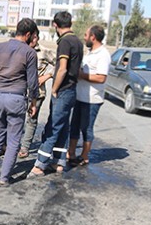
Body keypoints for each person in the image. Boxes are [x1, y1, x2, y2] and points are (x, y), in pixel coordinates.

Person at [0, 18, 39, 185]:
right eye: (33, 36)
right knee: (14, 140)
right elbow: (32, 81)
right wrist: (33, 102)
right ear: (28, 34)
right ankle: (4, 177)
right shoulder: (29, 53)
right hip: (16, 98)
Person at [28, 11, 83, 177]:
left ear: (55, 25)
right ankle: (58, 162)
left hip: (63, 90)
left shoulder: (65, 42)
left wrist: (54, 89)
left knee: (52, 126)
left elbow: (63, 68)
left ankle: (39, 166)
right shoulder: (78, 42)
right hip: (72, 89)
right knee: (63, 126)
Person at [67, 25, 111, 167]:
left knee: (86, 128)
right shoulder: (90, 53)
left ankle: (84, 156)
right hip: (80, 96)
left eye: (86, 35)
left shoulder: (103, 55)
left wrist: (82, 75)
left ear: (93, 37)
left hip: (92, 99)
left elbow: (101, 78)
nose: (84, 37)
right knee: (74, 126)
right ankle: (71, 153)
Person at [18, 32, 55, 158]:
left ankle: (25, 147)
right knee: (16, 119)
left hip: (37, 92)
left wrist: (47, 75)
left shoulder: (44, 51)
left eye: (35, 37)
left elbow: (60, 65)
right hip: (19, 91)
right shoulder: (21, 49)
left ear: (38, 38)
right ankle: (10, 144)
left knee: (31, 120)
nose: (33, 39)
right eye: (31, 37)